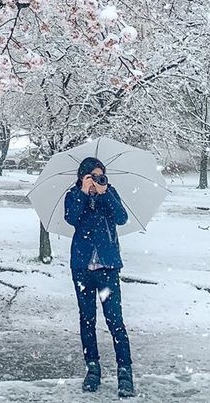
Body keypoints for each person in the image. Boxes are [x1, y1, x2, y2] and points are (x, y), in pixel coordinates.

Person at [64, 156, 134, 398]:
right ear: (82, 177)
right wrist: (84, 193)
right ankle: (92, 369)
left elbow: (122, 218)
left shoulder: (109, 193)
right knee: (87, 319)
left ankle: (125, 373)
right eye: (91, 176)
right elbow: (71, 218)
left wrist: (104, 193)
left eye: (99, 175)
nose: (96, 180)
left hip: (107, 269)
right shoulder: (74, 195)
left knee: (115, 321)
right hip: (82, 269)